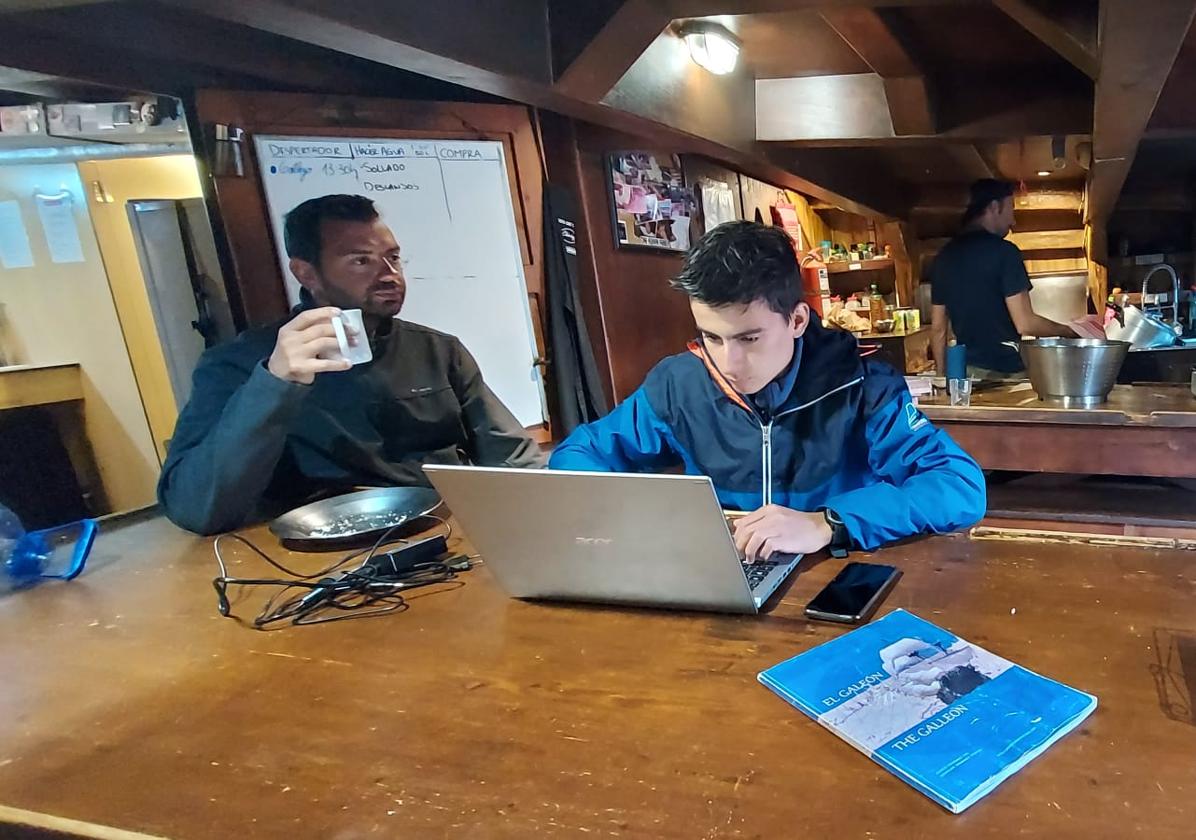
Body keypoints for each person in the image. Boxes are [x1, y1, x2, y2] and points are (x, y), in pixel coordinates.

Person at [549, 221, 986, 560]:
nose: (727, 363)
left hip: (835, 571)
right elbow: (581, 452)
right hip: (719, 573)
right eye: (711, 337)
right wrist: (625, 513)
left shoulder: (865, 388)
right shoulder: (677, 385)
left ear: (797, 321)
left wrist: (827, 523)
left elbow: (959, 485)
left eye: (749, 339)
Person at [158, 194, 545, 535]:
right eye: (362, 261)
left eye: (393, 258)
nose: (390, 276)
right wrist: (274, 384)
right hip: (314, 561)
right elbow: (195, 510)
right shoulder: (239, 364)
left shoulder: (437, 351)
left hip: (445, 534)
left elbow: (513, 459)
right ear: (306, 273)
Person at [930, 179, 1104, 379]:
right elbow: (1025, 324)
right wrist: (1071, 331)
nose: (1012, 221)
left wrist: (942, 379)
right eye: (1010, 210)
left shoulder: (944, 257)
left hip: (967, 376)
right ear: (994, 207)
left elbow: (938, 329)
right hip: (1007, 374)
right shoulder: (1005, 253)